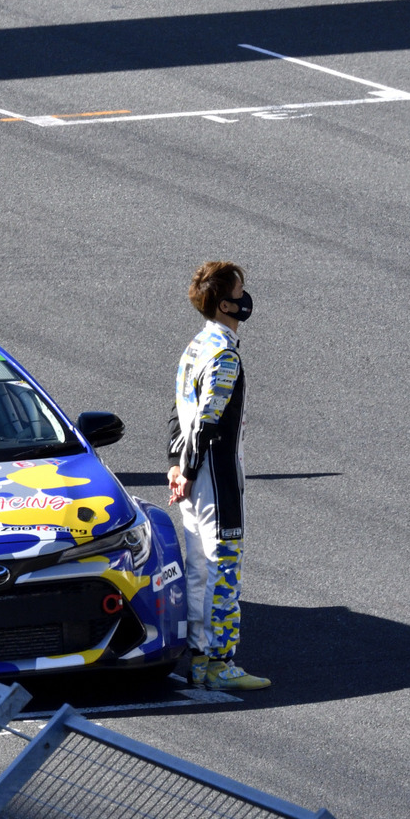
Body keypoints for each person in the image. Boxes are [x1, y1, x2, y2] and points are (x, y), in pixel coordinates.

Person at [167, 261, 269, 691]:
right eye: (241, 290)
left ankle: (196, 657)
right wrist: (189, 470)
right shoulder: (225, 354)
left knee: (197, 568)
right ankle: (221, 662)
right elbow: (208, 420)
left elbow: (177, 412)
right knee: (224, 566)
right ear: (227, 303)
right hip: (216, 476)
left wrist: (174, 464)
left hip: (192, 474)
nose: (246, 297)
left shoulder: (195, 347)